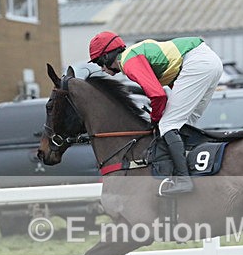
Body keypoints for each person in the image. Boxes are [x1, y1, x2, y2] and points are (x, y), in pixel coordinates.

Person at [88, 31, 222, 194]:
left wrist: (155, 119)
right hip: (210, 61)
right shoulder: (134, 55)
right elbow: (173, 85)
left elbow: (157, 95)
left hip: (197, 62)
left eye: (99, 62)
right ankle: (194, 171)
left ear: (107, 56)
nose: (102, 69)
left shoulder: (129, 62)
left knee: (167, 124)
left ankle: (184, 180)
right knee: (184, 124)